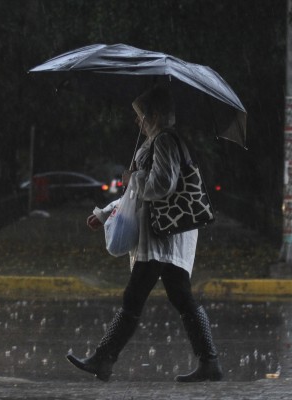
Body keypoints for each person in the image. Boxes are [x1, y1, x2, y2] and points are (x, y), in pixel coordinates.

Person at [67, 85, 223, 383]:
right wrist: (105, 212)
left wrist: (133, 177)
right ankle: (209, 362)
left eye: (140, 116)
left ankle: (103, 359)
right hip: (163, 233)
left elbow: (160, 186)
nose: (137, 122)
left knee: (135, 295)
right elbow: (136, 196)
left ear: (153, 115)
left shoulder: (164, 141)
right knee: (180, 297)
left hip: (164, 235)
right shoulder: (156, 142)